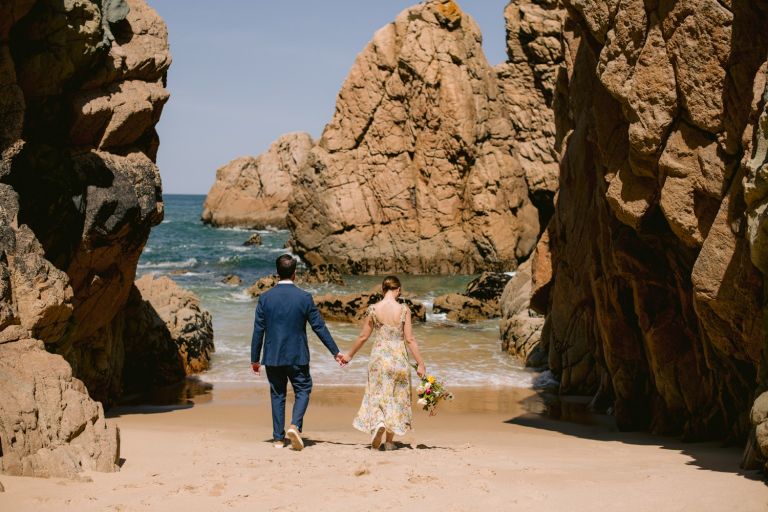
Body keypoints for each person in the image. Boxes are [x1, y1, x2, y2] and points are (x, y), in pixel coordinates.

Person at [251, 254, 345, 450]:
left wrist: (255, 359)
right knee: (303, 389)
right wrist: (335, 351)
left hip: (273, 356)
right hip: (297, 355)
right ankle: (294, 425)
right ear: (295, 274)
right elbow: (319, 327)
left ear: (277, 273)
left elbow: (258, 329)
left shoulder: (265, 298)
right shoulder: (304, 297)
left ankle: (278, 439)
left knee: (277, 394)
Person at [340, 275, 426, 450]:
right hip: (398, 358)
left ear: (382, 290)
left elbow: (363, 336)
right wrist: (421, 364)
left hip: (379, 358)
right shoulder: (404, 310)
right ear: (398, 290)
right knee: (395, 396)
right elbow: (410, 339)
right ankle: (388, 441)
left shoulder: (373, 309)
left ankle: (379, 422)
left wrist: (349, 355)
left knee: (378, 394)